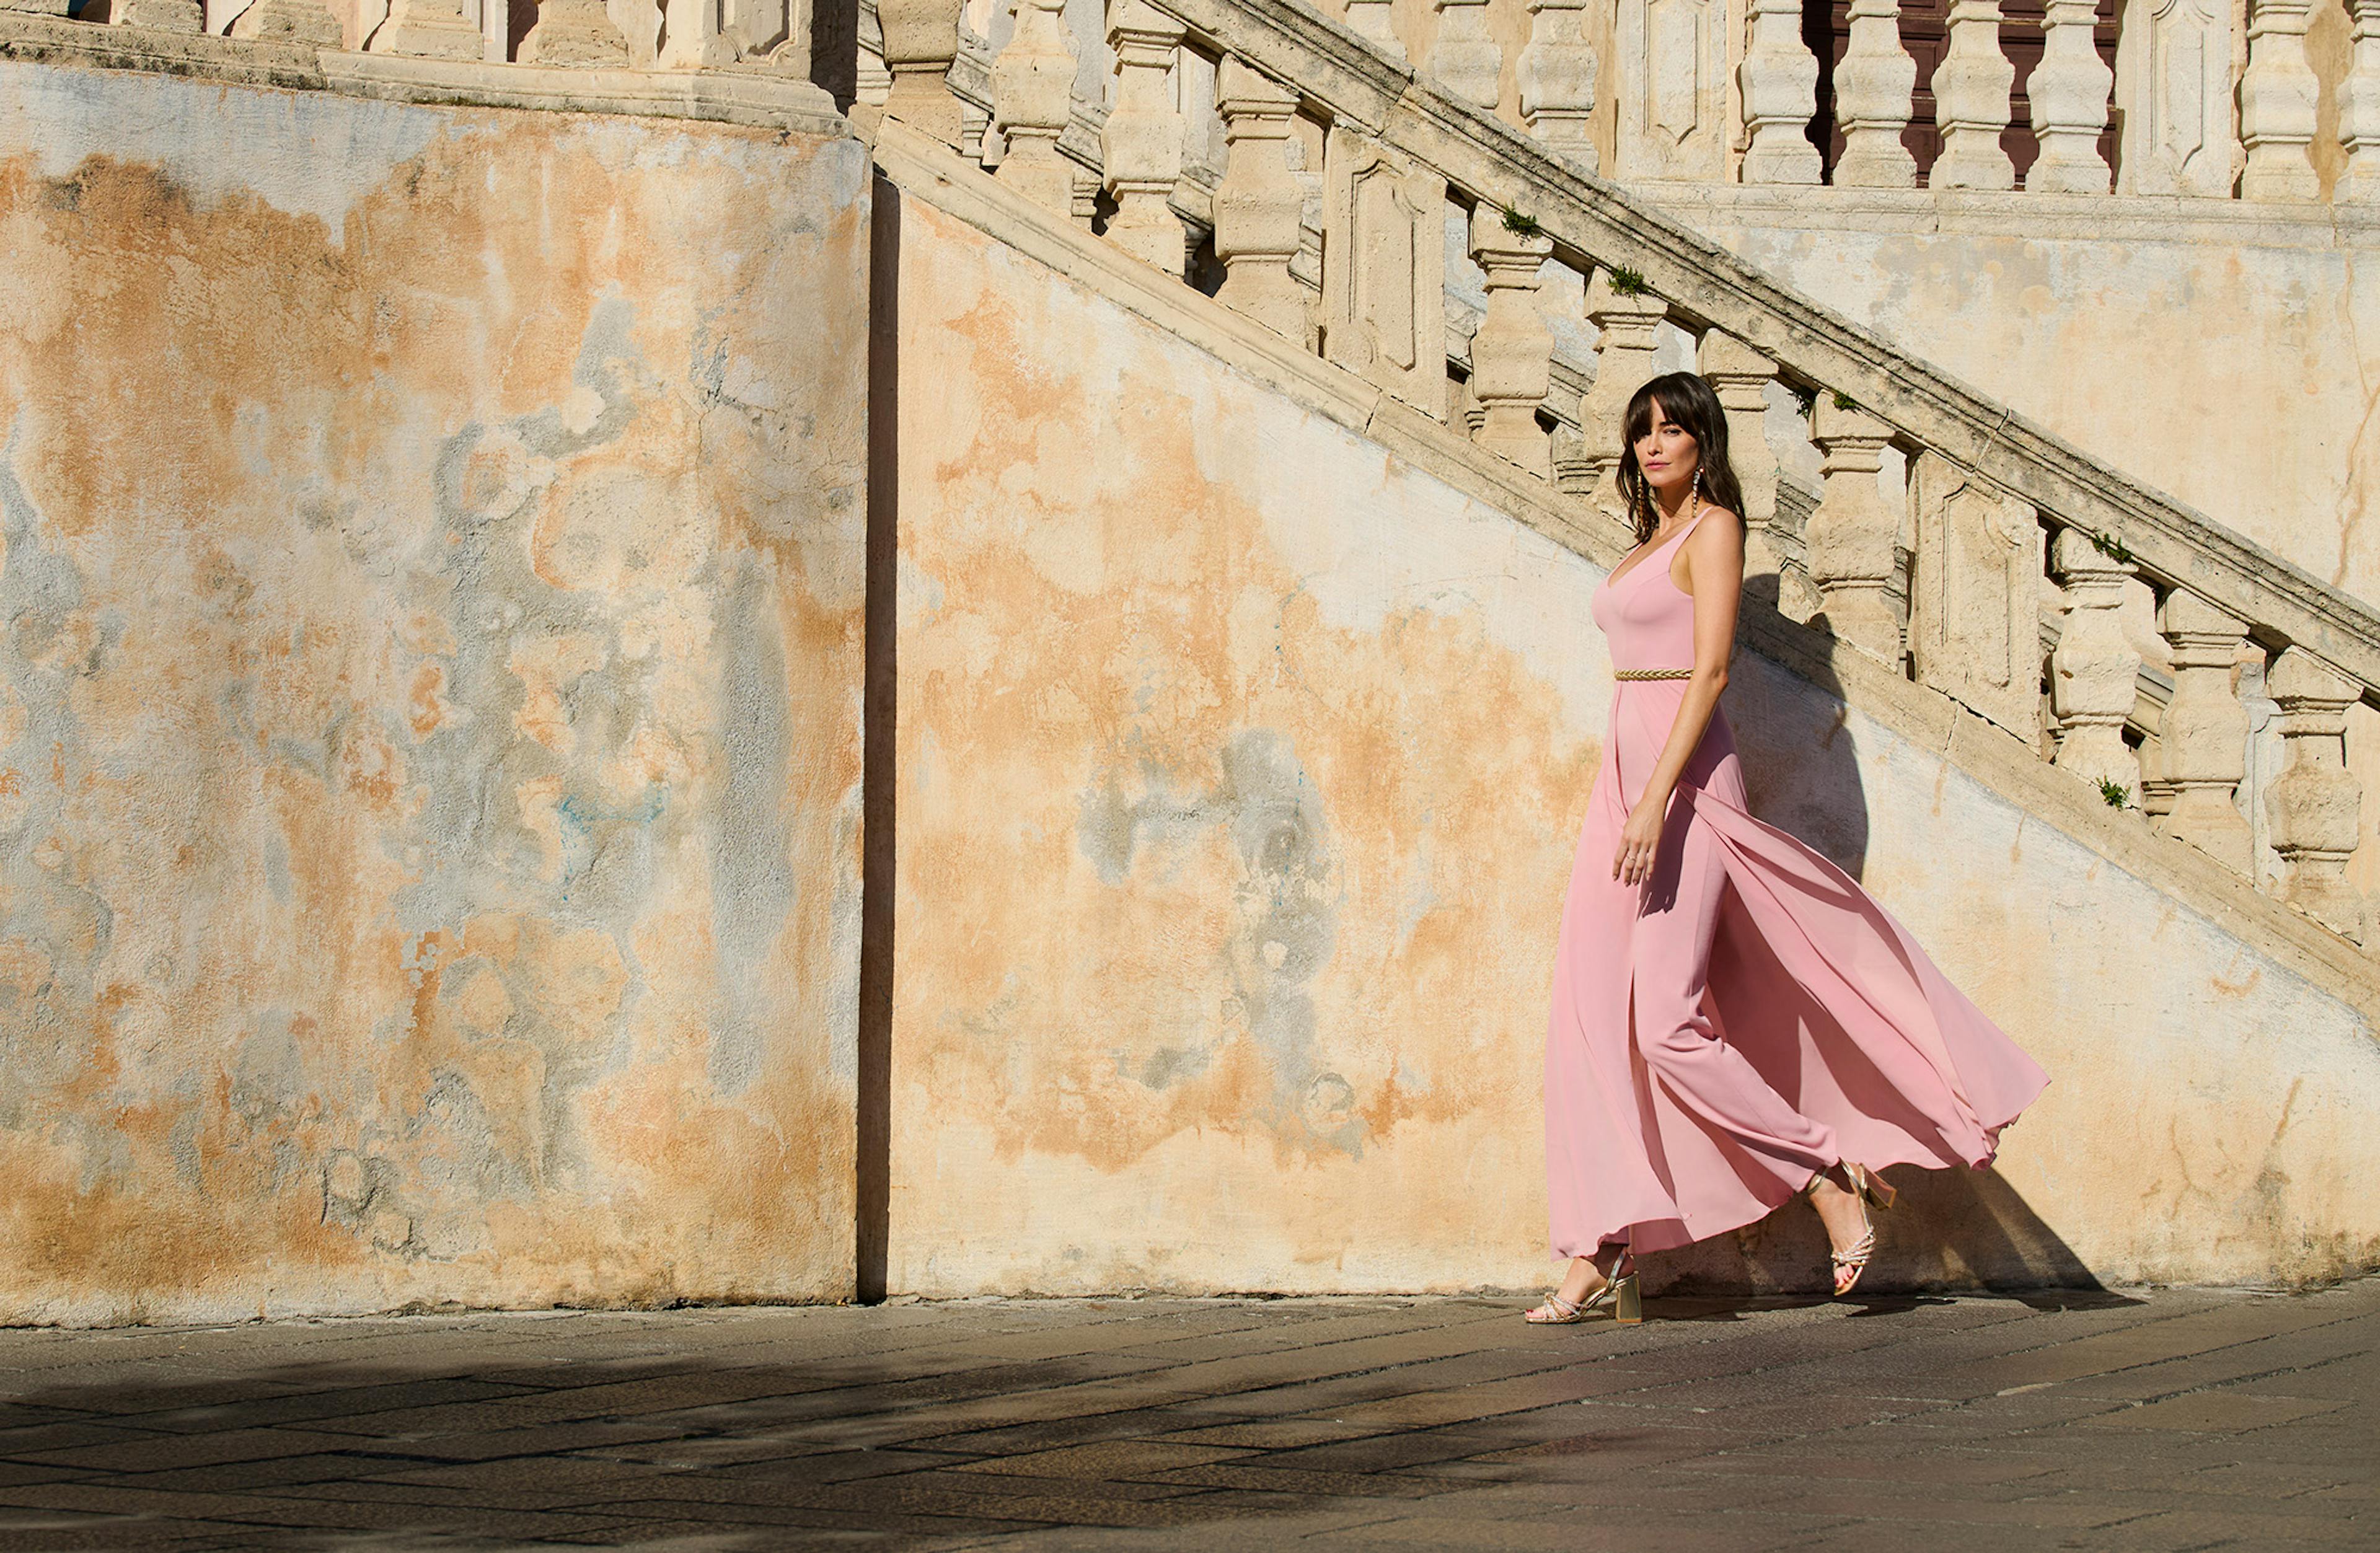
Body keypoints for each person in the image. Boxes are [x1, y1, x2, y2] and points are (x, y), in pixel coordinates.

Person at [1526, 371, 2050, 1325]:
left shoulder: (1712, 528)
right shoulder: (1646, 539)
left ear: (1703, 442)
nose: (1654, 445)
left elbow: (1712, 667)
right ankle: (1597, 1246)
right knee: (1591, 1013)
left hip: (1681, 792)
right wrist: (1626, 796)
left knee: (1666, 1024)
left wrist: (1656, 800)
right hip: (1622, 787)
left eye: (1673, 430)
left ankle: (1821, 1168)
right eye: (1641, 430)